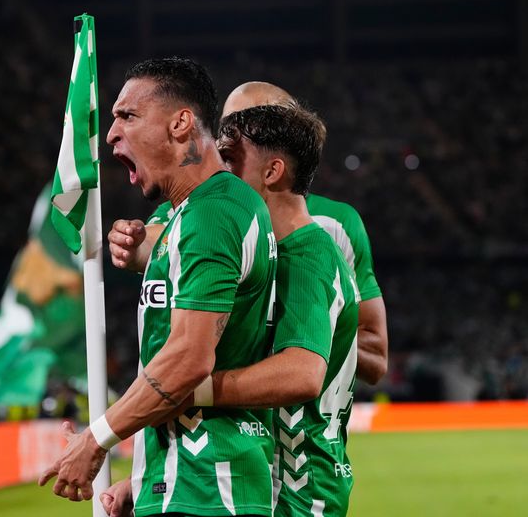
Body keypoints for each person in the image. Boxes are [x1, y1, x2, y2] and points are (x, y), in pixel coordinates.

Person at [39, 57, 279, 517]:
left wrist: (97, 439)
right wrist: (147, 472)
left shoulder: (214, 213)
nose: (110, 134)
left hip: (211, 489)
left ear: (181, 123)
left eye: (127, 116)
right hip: (182, 480)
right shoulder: (184, 215)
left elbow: (189, 359)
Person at [104, 104, 360, 517]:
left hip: (301, 491)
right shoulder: (255, 249)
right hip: (250, 479)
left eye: (228, 157)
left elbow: (301, 373)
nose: (214, 167)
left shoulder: (310, 255)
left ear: (272, 172)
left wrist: (185, 390)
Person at [111, 81, 387, 386]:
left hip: (294, 428)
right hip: (224, 424)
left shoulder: (335, 225)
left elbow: (375, 360)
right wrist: (132, 247)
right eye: (226, 129)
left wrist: (309, 330)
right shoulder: (195, 208)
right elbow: (162, 240)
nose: (229, 141)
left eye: (254, 125)